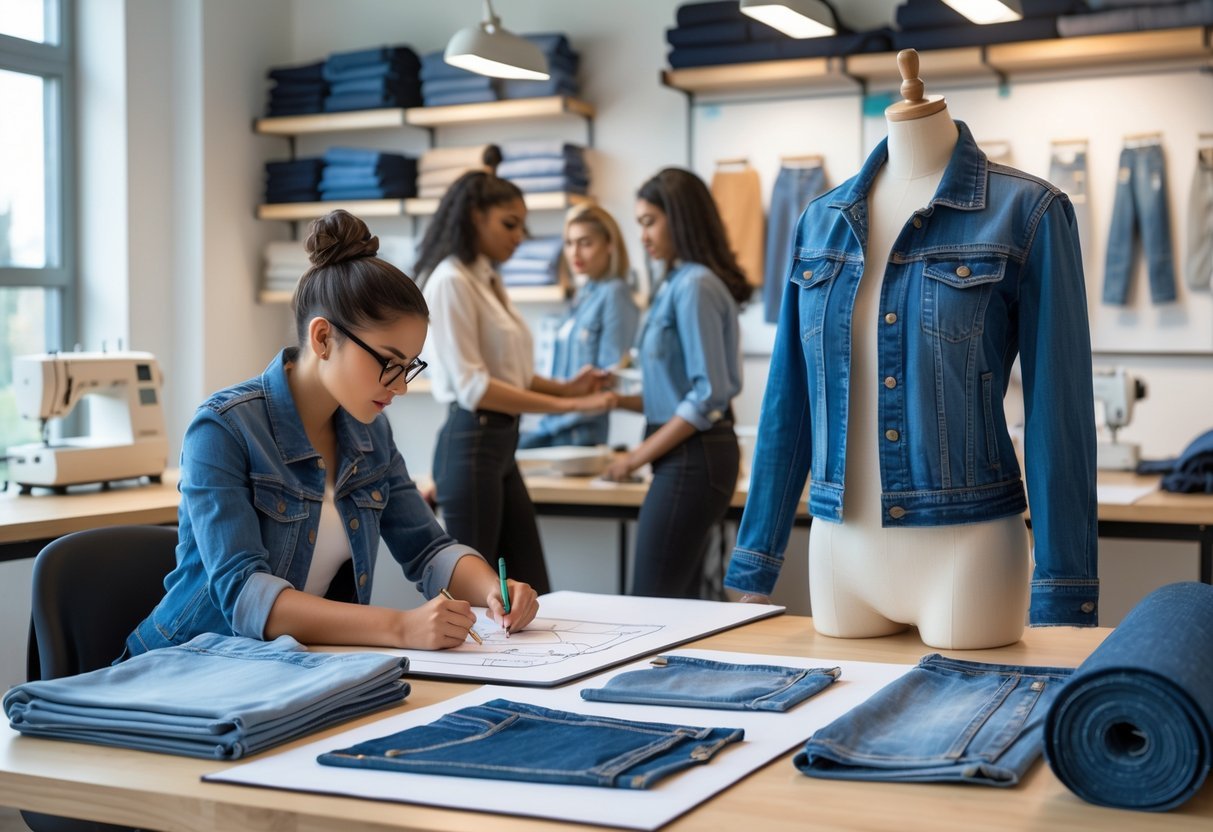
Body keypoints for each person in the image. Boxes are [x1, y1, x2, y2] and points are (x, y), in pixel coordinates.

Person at [724, 50, 1098, 648]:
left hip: (969, 552)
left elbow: (1060, 413)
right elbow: (788, 402)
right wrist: (755, 558)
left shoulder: (1028, 212)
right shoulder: (819, 221)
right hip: (840, 556)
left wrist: (1063, 586)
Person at [123, 209, 539, 659]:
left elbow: (428, 548)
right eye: (389, 363)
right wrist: (401, 627)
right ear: (322, 338)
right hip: (185, 666)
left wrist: (492, 589)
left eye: (409, 367)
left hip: (291, 668)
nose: (400, 386)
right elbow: (245, 594)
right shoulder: (223, 428)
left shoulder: (371, 434)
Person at [416, 171, 616, 595]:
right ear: (475, 217)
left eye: (523, 226)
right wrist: (570, 406)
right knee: (474, 601)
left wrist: (568, 388)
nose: (520, 237)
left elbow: (513, 374)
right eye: (509, 224)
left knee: (532, 590)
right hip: (472, 443)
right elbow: (475, 388)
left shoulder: (485, 278)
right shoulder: (451, 281)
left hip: (500, 447)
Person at [601, 168, 751, 598]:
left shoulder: (694, 286)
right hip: (688, 456)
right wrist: (614, 399)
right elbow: (673, 392)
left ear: (680, 218)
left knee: (652, 600)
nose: (643, 236)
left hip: (694, 456)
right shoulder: (677, 283)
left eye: (650, 222)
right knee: (676, 600)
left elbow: (706, 397)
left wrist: (633, 460)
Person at [519, 203, 640, 449]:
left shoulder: (615, 293)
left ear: (609, 245)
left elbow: (609, 372)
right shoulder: (582, 295)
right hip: (552, 422)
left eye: (585, 243)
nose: (575, 253)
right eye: (569, 243)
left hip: (579, 429)